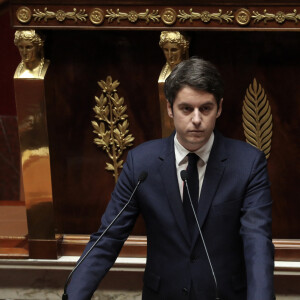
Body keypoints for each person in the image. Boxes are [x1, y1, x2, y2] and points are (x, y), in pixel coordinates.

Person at [66, 57, 275, 299]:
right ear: (169, 108)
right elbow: (108, 237)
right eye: (186, 108)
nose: (196, 119)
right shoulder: (140, 164)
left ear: (219, 108)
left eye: (205, 108)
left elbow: (257, 241)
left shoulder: (248, 164)